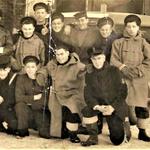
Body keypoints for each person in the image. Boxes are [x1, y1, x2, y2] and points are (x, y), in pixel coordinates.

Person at [36, 43, 86, 143]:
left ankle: (73, 134)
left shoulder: (78, 66)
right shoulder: (53, 63)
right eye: (57, 54)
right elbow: (46, 69)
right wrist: (41, 74)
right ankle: (61, 131)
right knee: (55, 122)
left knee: (72, 111)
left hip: (72, 94)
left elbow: (86, 76)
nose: (59, 57)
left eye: (62, 54)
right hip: (57, 94)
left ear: (67, 53)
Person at [110, 14, 150, 142]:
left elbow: (148, 61)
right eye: (129, 26)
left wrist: (138, 71)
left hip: (139, 80)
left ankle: (142, 131)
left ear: (138, 27)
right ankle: (124, 130)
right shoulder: (118, 42)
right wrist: (123, 68)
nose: (131, 29)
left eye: (134, 26)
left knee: (142, 106)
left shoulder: (144, 43)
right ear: (125, 27)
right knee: (123, 105)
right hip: (123, 79)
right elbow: (113, 60)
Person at [81, 47, 131, 146]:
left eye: (99, 58)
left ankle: (124, 124)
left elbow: (123, 92)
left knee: (117, 140)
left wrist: (112, 107)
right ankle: (93, 136)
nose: (97, 62)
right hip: (100, 106)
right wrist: (97, 106)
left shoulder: (114, 71)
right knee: (87, 109)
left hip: (114, 106)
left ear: (104, 58)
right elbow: (88, 94)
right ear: (91, 60)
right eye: (94, 59)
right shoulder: (89, 73)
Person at [15, 56, 50, 138]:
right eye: (28, 67)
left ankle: (37, 125)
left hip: (39, 109)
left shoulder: (43, 78)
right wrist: (34, 97)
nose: (30, 69)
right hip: (26, 110)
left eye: (32, 67)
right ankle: (22, 130)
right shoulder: (21, 78)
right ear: (24, 68)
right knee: (20, 105)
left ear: (37, 67)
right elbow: (18, 97)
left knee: (45, 134)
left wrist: (32, 101)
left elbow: (45, 96)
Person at [0, 55, 17, 135]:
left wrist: (4, 118)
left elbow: (12, 99)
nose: (1, 73)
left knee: (13, 127)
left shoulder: (13, 79)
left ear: (9, 69)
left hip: (8, 108)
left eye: (4, 70)